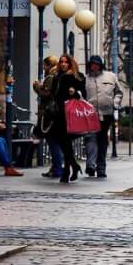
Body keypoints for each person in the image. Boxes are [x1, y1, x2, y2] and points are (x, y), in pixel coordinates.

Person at [34, 54, 85, 183]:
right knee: (64, 143)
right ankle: (72, 166)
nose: (63, 64)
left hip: (69, 113)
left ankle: (68, 169)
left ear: (70, 63)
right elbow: (52, 94)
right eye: (61, 62)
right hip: (57, 113)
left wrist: (76, 93)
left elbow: (83, 92)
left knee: (65, 142)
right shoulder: (57, 76)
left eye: (65, 62)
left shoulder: (77, 76)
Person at [85, 55, 120, 179]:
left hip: (106, 114)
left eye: (97, 64)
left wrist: (114, 103)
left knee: (102, 141)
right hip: (90, 114)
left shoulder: (111, 76)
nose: (94, 66)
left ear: (101, 65)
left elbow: (118, 92)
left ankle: (101, 168)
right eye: (92, 64)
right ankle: (91, 165)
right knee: (90, 138)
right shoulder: (86, 79)